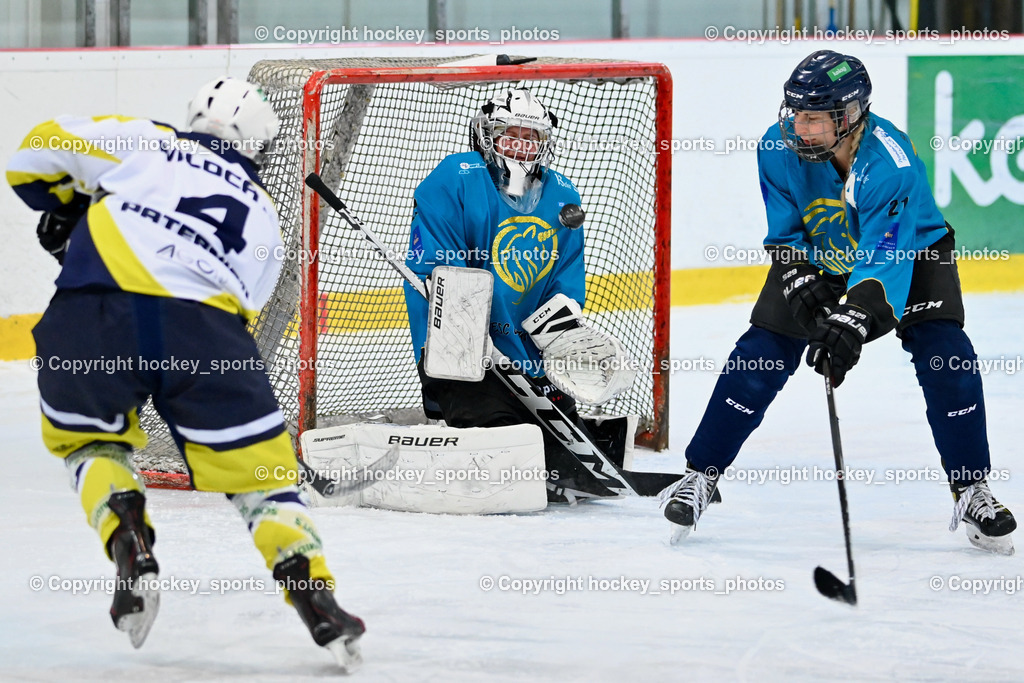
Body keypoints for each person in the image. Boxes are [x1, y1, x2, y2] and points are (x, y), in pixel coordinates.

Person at [6, 77, 364, 668]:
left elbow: (31, 157)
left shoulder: (142, 140)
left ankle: (129, 540)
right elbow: (243, 307)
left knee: (91, 445)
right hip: (202, 335)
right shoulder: (264, 212)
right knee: (267, 479)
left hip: (91, 316)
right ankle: (316, 598)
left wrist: (76, 208)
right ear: (258, 146)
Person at [661, 50, 1016, 554]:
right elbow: (785, 231)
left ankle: (972, 487)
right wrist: (795, 272)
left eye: (813, 117)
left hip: (911, 251)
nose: (799, 126)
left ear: (848, 115)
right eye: (795, 113)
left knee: (947, 354)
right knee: (761, 350)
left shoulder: (890, 165)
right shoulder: (776, 145)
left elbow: (884, 261)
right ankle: (700, 475)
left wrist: (853, 320)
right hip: (825, 256)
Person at [402, 87, 645, 504]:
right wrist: (469, 332)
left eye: (531, 138)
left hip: (525, 352)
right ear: (487, 137)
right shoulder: (455, 177)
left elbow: (565, 277)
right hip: (460, 351)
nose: (521, 146)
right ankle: (447, 404)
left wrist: (559, 340)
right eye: (510, 135)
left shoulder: (562, 195)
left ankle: (549, 454)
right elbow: (439, 267)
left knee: (560, 428)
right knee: (497, 427)